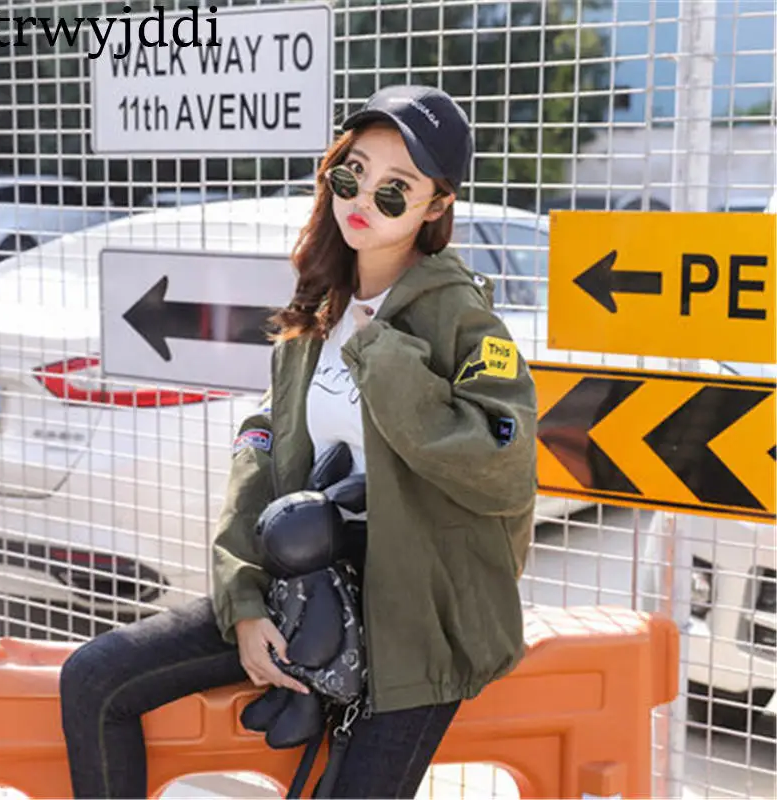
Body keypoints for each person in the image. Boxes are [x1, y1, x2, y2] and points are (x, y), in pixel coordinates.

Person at [60, 84, 538, 799]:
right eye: (353, 174)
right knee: (95, 678)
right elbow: (260, 451)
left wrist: (384, 353)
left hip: (415, 625)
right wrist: (244, 598)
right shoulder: (319, 304)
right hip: (304, 591)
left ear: (436, 206)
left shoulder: (460, 320)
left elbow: (503, 467)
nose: (364, 199)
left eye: (395, 190)